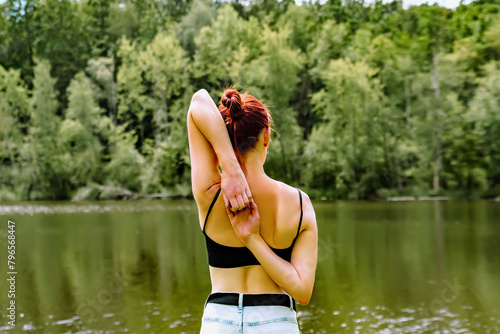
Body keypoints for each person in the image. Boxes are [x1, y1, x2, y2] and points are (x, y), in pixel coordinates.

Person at [187, 87, 318, 334]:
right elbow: (302, 291)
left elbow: (198, 101)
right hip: (277, 323)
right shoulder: (300, 203)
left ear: (225, 135)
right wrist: (254, 240)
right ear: (266, 135)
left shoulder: (210, 193)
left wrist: (228, 166)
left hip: (219, 323)